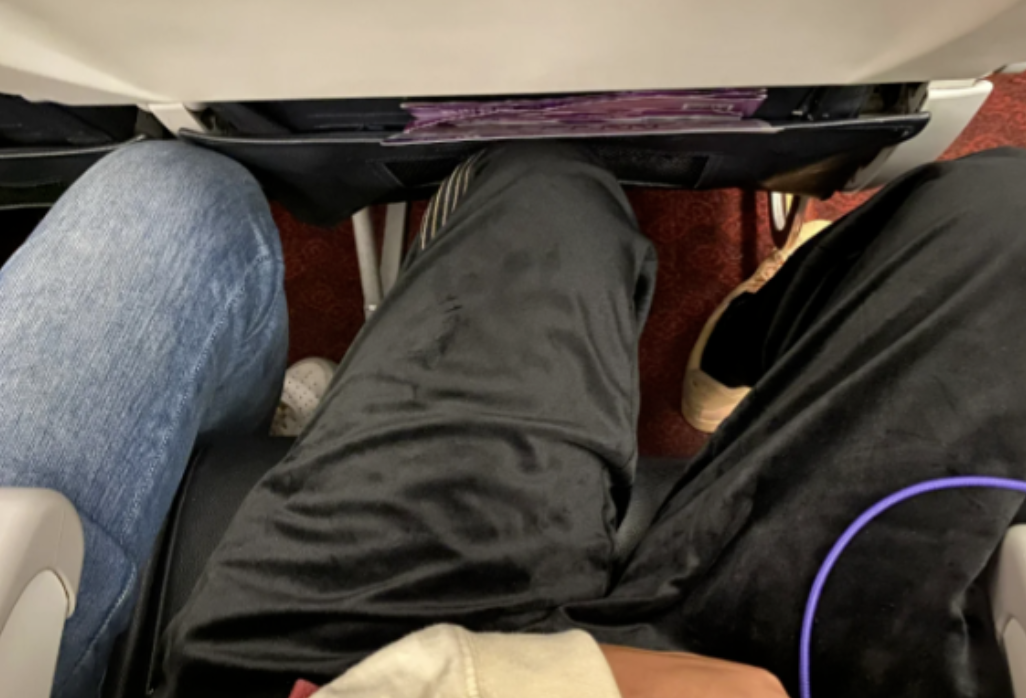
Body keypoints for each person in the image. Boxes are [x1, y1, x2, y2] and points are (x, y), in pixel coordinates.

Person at [1, 140, 1023, 698]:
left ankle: (284, 439)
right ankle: (751, 339)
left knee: (546, 197)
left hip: (359, 673)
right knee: (1004, 228)